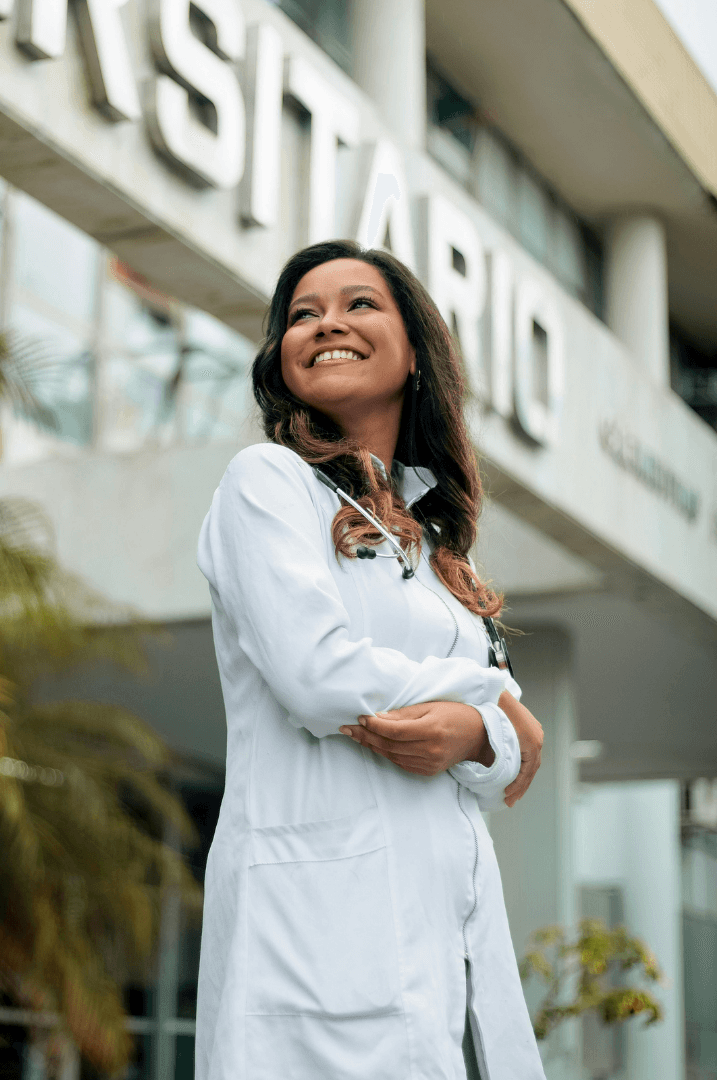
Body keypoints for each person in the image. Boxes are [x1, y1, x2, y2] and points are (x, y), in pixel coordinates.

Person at [194, 241, 546, 1080]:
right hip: (315, 943)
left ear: (416, 352)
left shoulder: (436, 546)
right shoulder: (268, 483)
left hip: (452, 945)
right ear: (281, 360)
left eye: (359, 305)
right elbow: (318, 677)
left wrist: (476, 734)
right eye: (303, 315)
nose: (327, 325)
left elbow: (512, 771)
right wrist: (492, 704)